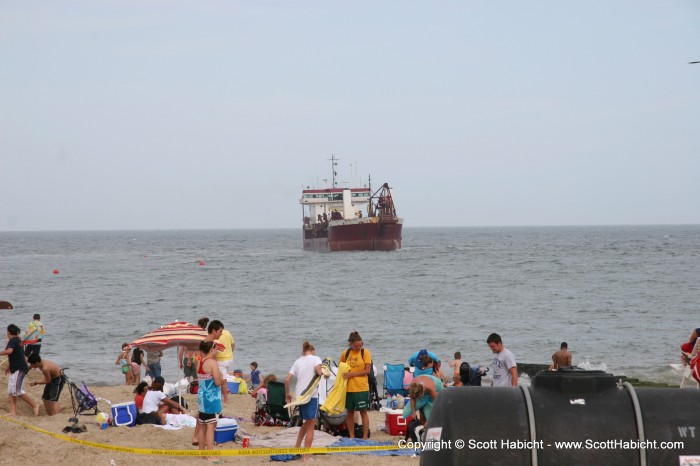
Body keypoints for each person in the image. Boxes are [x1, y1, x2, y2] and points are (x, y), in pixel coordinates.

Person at [285, 341, 324, 462]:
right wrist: (325, 372)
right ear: (312, 351)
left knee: (306, 423)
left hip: (299, 396)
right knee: (312, 424)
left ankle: (297, 448)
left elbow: (287, 380)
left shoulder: (298, 361)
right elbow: (319, 372)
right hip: (310, 395)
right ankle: (306, 456)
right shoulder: (316, 358)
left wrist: (287, 394)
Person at [0, 324, 40, 416]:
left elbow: (9, 351)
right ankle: (13, 411)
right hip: (16, 367)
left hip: (20, 368)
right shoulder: (18, 340)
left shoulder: (13, 340)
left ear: (9, 332)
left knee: (17, 391)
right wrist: (9, 366)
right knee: (11, 390)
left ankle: (34, 405)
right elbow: (18, 354)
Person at [339, 331, 372, 439]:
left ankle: (365, 436)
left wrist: (352, 374)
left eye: (360, 345)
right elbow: (340, 368)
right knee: (350, 413)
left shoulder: (365, 352)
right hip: (349, 388)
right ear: (350, 344)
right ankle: (351, 436)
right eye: (356, 345)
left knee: (363, 412)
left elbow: (367, 371)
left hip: (361, 387)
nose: (358, 347)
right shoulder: (346, 353)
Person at [195, 340, 223, 456]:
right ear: (211, 349)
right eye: (216, 349)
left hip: (201, 397)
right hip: (211, 398)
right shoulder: (212, 363)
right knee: (211, 426)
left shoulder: (200, 361)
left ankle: (202, 453)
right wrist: (221, 377)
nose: (217, 351)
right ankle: (210, 454)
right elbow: (217, 382)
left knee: (202, 426)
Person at [213, 320, 235, 402]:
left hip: (221, 360)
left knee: (222, 380)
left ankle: (225, 398)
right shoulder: (228, 333)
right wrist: (230, 352)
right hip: (229, 358)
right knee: (223, 378)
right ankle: (223, 394)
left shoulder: (216, 336)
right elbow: (233, 344)